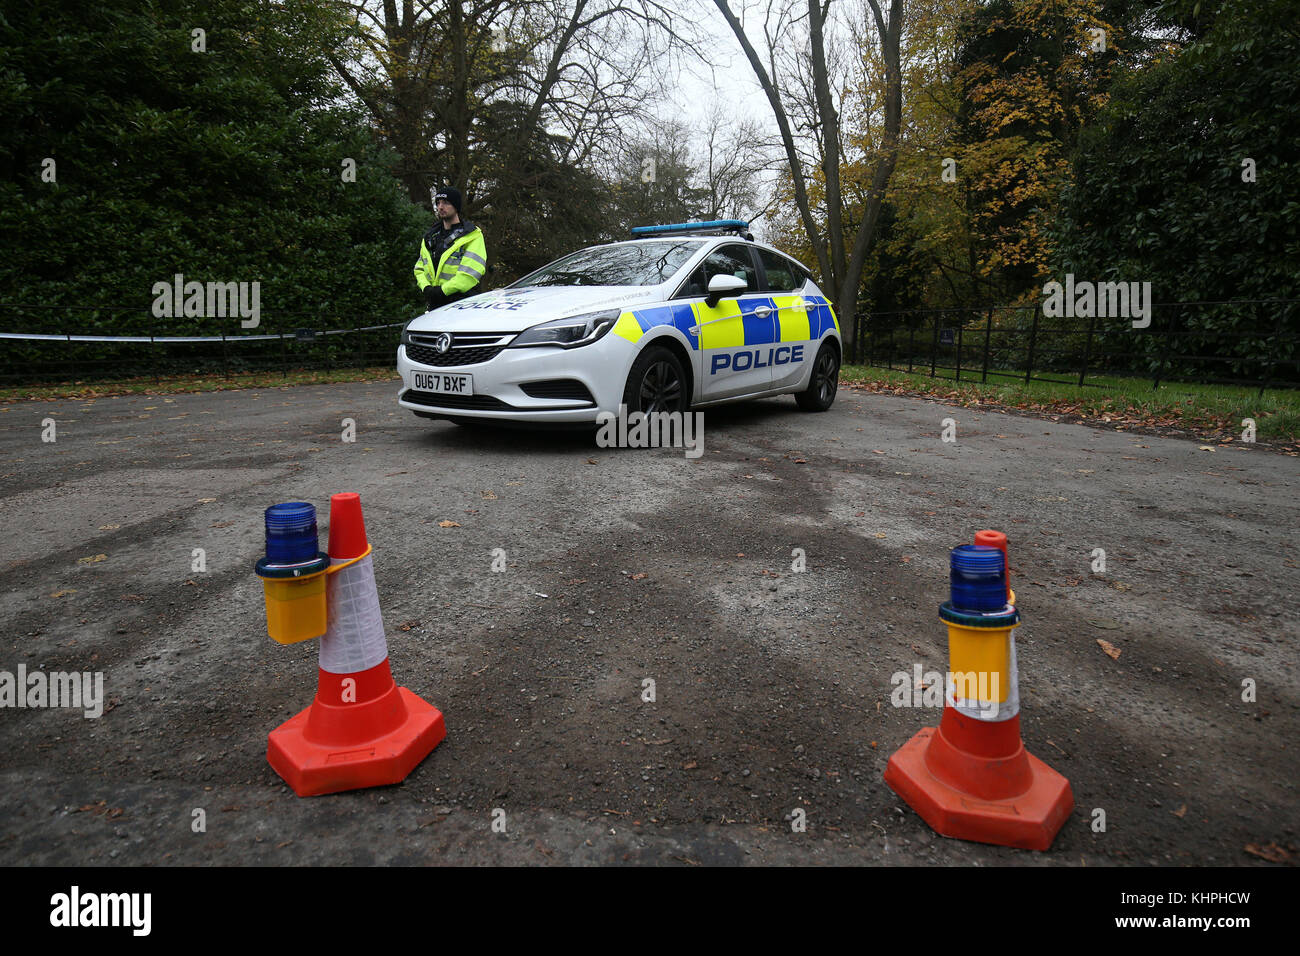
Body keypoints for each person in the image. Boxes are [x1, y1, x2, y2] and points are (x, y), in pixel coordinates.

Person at [414, 186, 488, 311]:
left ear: (456, 206)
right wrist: (426, 288)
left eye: (446, 203)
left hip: (462, 304)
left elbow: (469, 273)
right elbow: (419, 268)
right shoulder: (430, 237)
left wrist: (442, 291)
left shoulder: (472, 236)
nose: (440, 207)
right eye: (438, 203)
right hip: (435, 304)